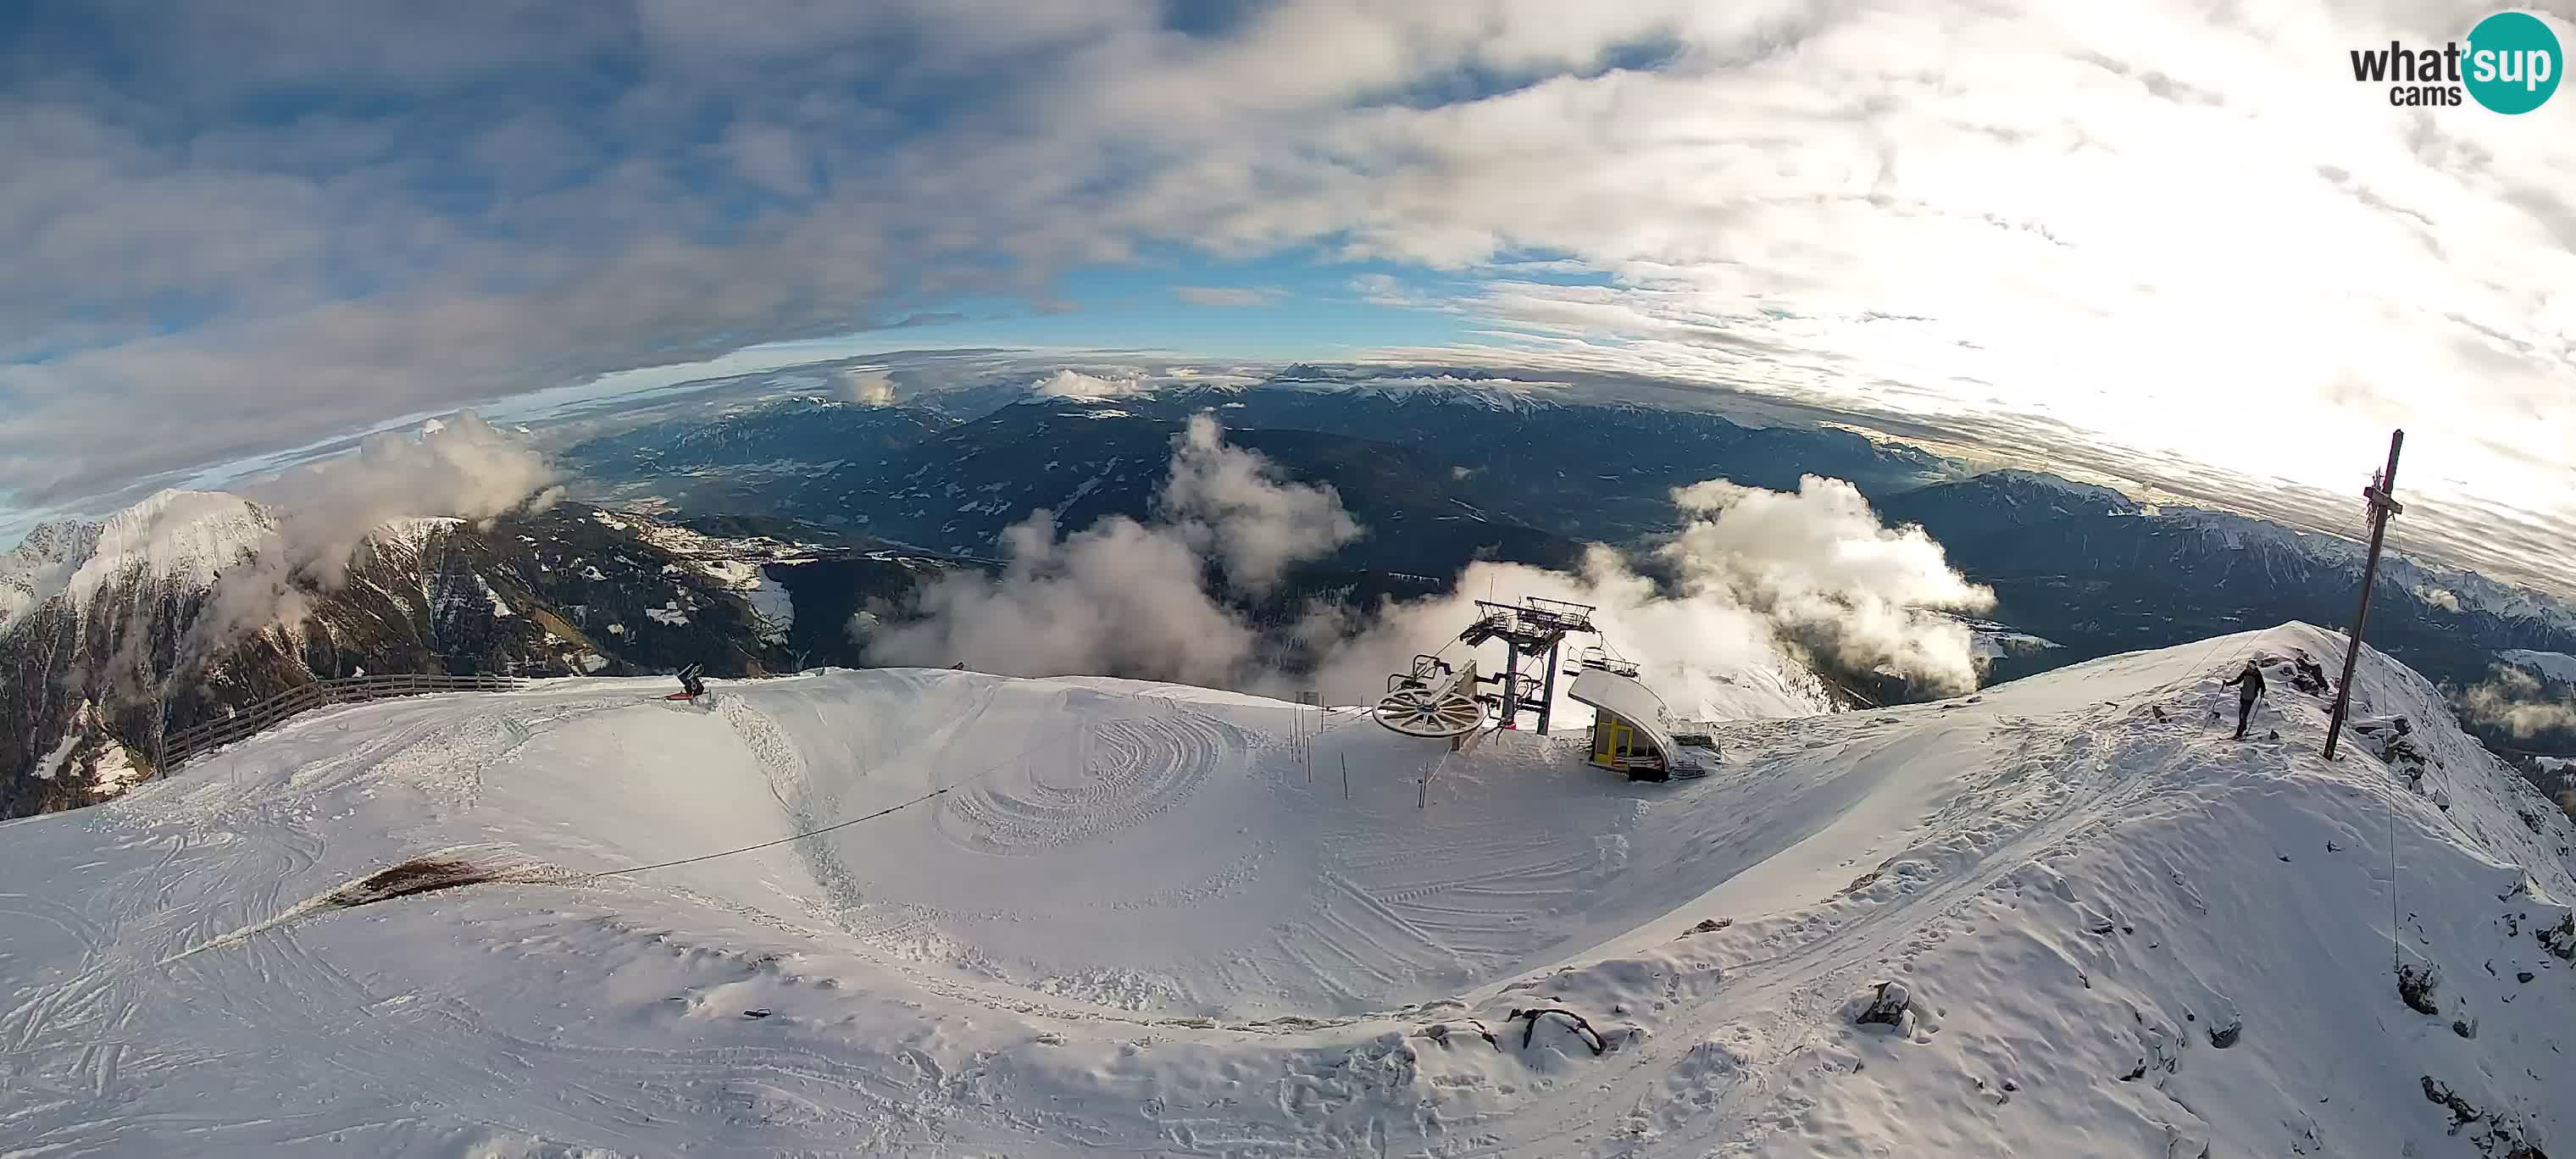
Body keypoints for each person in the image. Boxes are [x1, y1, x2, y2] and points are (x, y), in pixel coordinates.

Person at [2220, 660, 2265, 739]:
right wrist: (2227, 684)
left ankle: (2239, 733)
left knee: (2243, 715)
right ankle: (2243, 728)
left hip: (2251, 697)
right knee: (2241, 714)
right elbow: (2238, 681)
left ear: (2252, 668)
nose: (2247, 668)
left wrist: (2262, 693)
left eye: (2249, 667)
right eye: (2247, 667)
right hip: (2244, 695)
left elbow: (2263, 685)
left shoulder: (2257, 675)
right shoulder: (2245, 672)